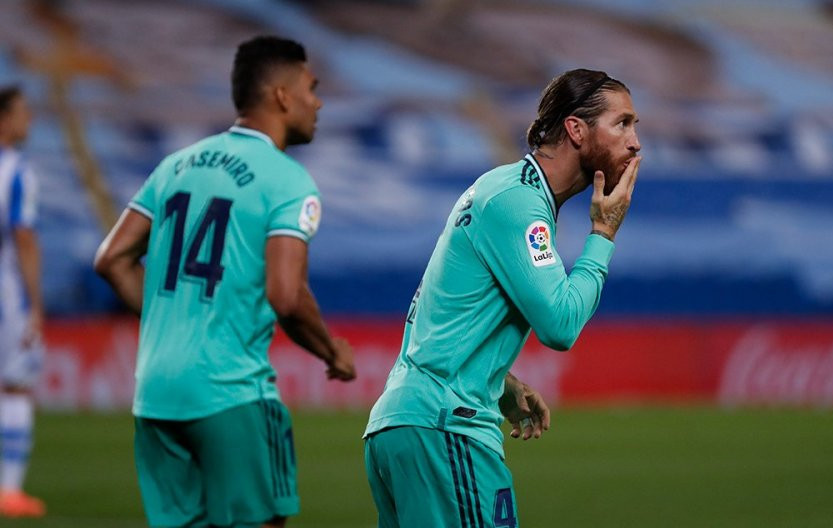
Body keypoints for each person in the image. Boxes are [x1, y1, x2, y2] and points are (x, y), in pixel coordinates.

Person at [94, 36, 355, 528]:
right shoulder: (287, 180)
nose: (317, 102)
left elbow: (111, 259)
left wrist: (173, 320)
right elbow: (286, 295)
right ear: (281, 96)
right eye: (311, 87)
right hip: (229, 391)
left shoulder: (176, 164)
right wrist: (331, 352)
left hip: (155, 393)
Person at [364, 68, 641, 527]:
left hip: (406, 424)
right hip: (445, 430)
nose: (635, 143)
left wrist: (502, 385)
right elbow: (560, 325)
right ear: (576, 129)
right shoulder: (518, 203)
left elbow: (438, 321)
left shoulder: (504, 190)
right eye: (623, 123)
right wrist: (603, 234)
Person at [0, 85, 46, 519]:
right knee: (14, 386)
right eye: (22, 112)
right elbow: (24, 236)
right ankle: (9, 491)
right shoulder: (16, 171)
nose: (28, 119)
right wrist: (35, 303)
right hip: (5, 295)